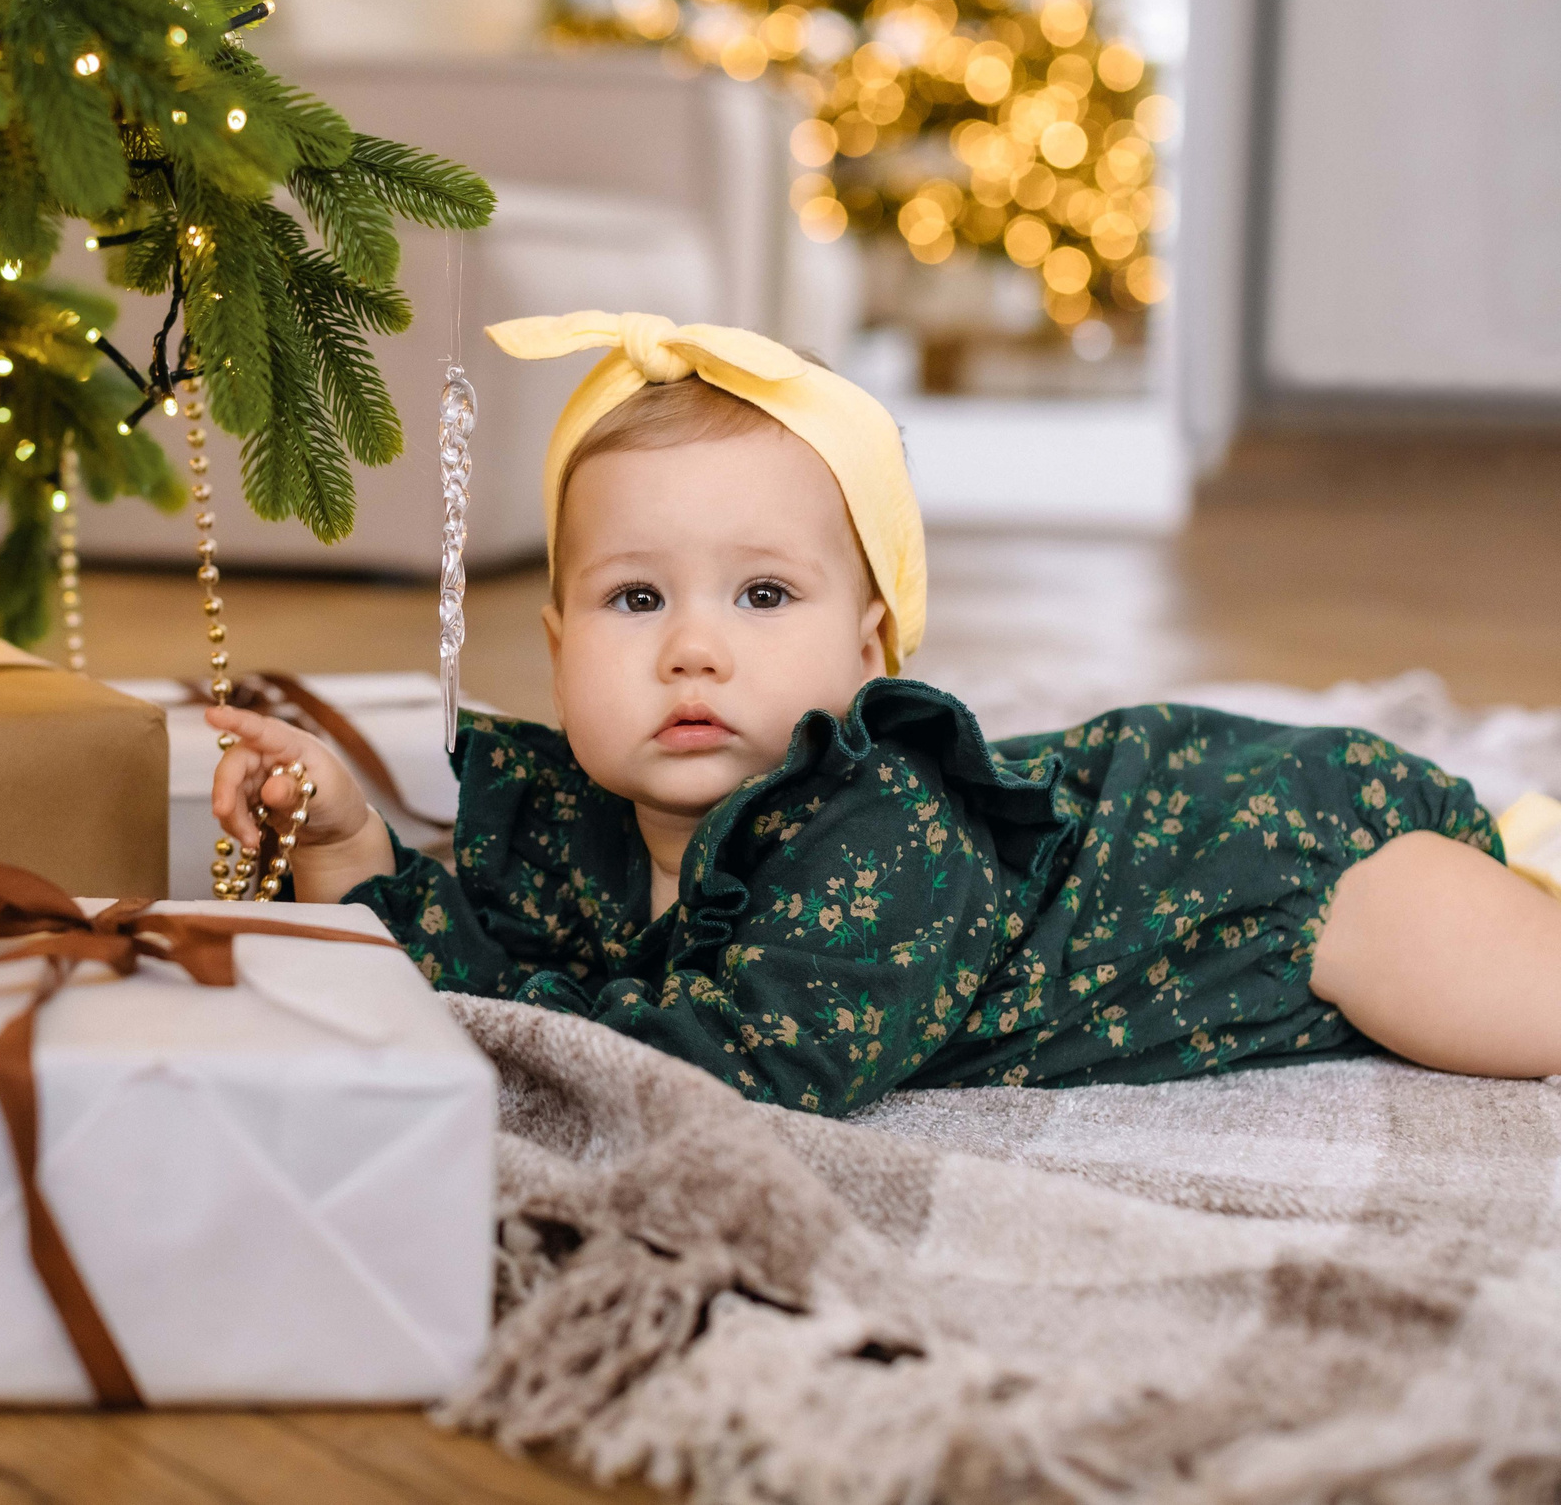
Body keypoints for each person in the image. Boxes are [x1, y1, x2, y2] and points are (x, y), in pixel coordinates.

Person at [206, 311, 1561, 1116]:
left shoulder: (878, 831)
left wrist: (450, 983)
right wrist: (354, 858)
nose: (691, 650)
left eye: (760, 596)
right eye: (632, 602)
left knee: (1503, 997)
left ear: (870, 653)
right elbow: (503, 954)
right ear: (554, 645)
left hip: (1269, 868)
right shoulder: (567, 816)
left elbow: (725, 1072)